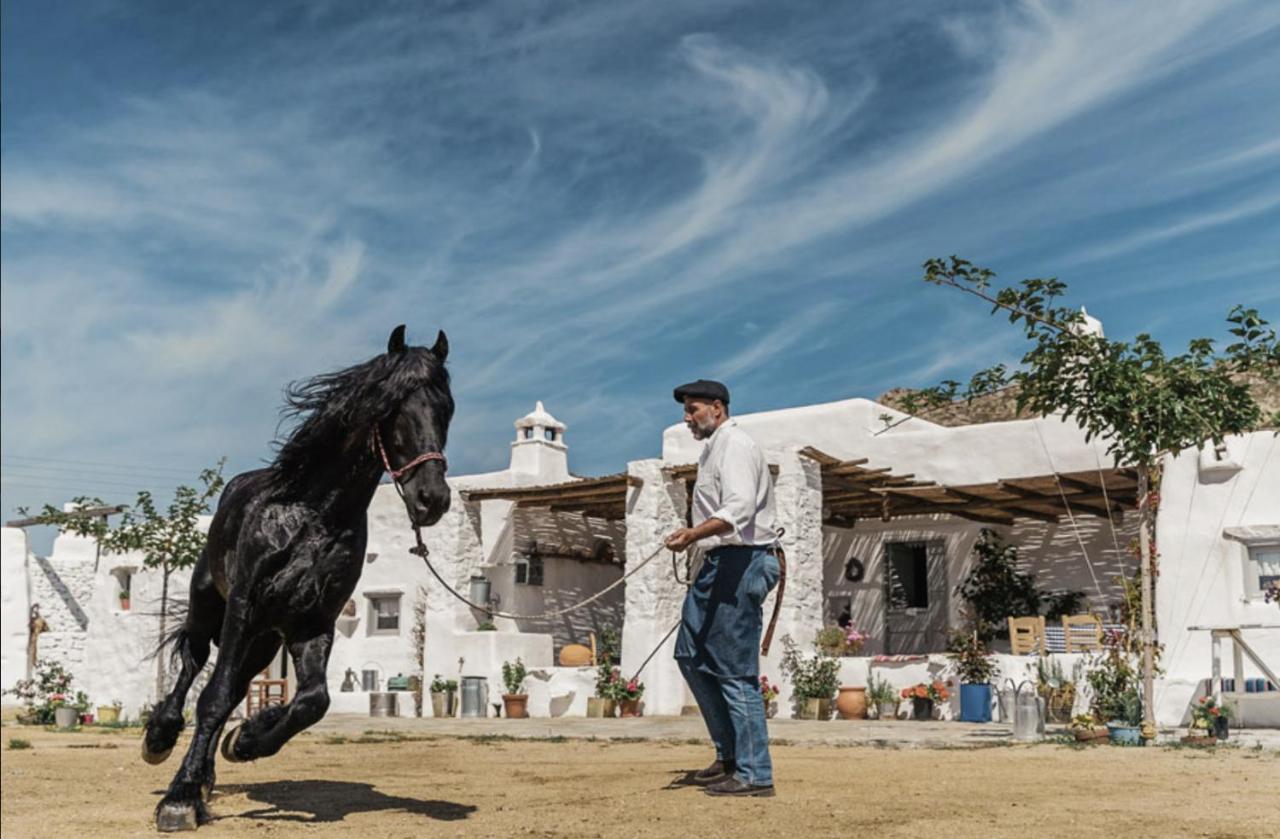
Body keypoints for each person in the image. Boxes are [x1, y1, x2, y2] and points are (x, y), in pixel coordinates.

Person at [665, 379, 780, 798]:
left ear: (718, 407)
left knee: (734, 670)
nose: (687, 418)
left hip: (742, 561)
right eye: (686, 411)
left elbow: (738, 509)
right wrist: (697, 541)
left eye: (693, 409)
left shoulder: (736, 445)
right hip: (718, 563)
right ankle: (729, 756)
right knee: (690, 654)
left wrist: (692, 534)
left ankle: (754, 773)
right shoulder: (713, 448)